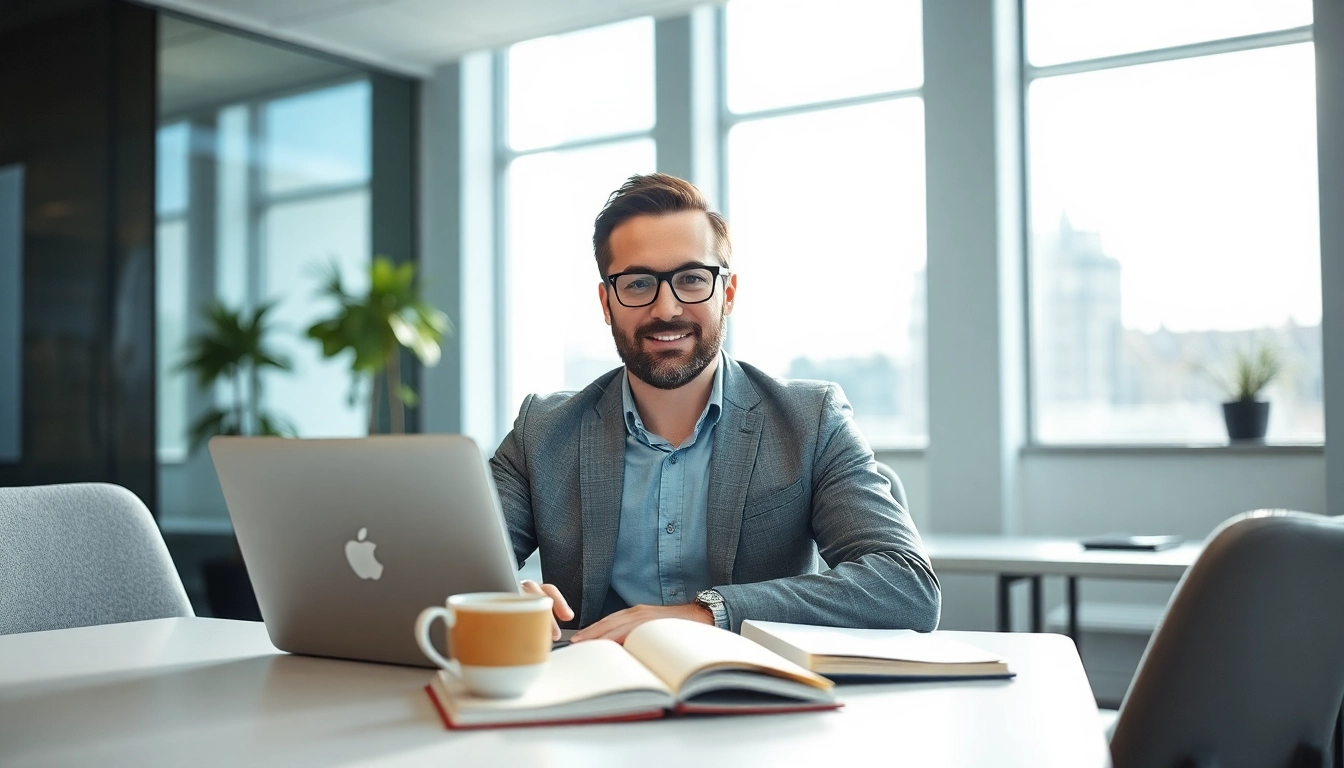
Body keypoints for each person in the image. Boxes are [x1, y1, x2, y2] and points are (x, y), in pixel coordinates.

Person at [491, 173, 940, 643]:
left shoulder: (810, 421)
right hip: (593, 690)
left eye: (691, 279)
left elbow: (907, 585)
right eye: (639, 283)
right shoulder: (543, 431)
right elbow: (440, 571)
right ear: (607, 302)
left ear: (727, 293)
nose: (666, 309)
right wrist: (499, 599)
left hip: (755, 697)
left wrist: (706, 613)